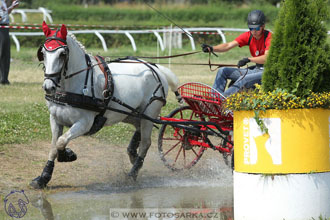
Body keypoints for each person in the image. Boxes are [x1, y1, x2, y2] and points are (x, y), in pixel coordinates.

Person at [202, 10, 272, 97]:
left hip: (266, 72)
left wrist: (249, 59)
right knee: (222, 71)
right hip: (256, 70)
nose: (254, 31)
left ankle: (222, 100)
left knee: (243, 79)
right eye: (251, 28)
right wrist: (212, 48)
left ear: (263, 26)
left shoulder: (269, 37)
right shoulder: (248, 35)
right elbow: (228, 45)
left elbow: (266, 58)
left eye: (257, 28)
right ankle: (214, 98)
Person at [0, 0, 19, 85]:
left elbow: (5, 13)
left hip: (5, 27)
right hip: (1, 28)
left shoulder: (2, 2)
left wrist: (11, 7)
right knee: (1, 53)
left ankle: (4, 79)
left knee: (5, 54)